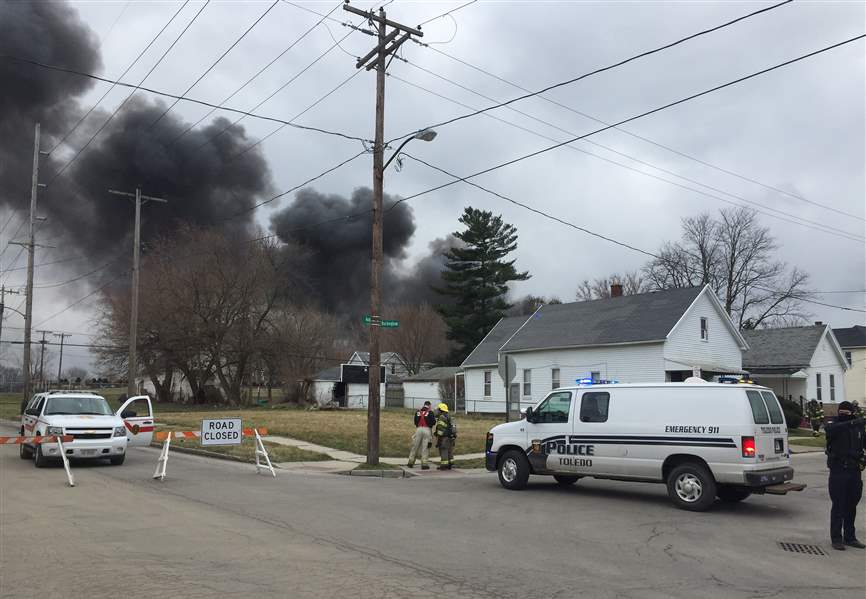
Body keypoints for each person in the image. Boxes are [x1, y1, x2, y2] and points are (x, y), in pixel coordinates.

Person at [825, 401, 865, 550]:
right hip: (838, 470)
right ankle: (836, 538)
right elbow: (831, 430)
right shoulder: (834, 424)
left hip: (854, 471)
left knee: (852, 504)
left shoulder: (858, 428)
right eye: (842, 412)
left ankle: (850, 537)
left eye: (847, 413)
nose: (844, 415)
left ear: (852, 412)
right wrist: (853, 422)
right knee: (838, 505)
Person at [407, 401, 435, 470]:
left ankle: (410, 462)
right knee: (425, 447)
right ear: (429, 405)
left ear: (424, 405)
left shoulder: (418, 412)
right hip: (427, 430)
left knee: (415, 446)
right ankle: (424, 464)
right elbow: (433, 422)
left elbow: (415, 422)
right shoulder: (430, 412)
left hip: (418, 429)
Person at [434, 402, 457, 470]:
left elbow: (440, 428)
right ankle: (450, 464)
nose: (437, 411)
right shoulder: (449, 416)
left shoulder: (441, 417)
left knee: (443, 450)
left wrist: (438, 437)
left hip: (444, 437)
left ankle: (444, 465)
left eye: (438, 409)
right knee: (449, 450)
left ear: (441, 410)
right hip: (451, 437)